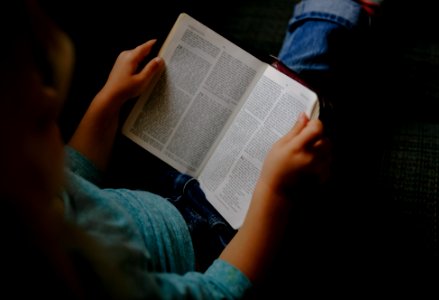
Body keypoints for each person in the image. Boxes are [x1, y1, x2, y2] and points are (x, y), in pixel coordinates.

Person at [1, 0, 333, 299]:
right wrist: (274, 190)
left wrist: (108, 102)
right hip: (210, 242)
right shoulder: (100, 281)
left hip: (153, 195)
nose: (54, 113)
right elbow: (217, 291)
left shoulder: (34, 192)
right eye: (44, 119)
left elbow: (77, 172)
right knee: (299, 92)